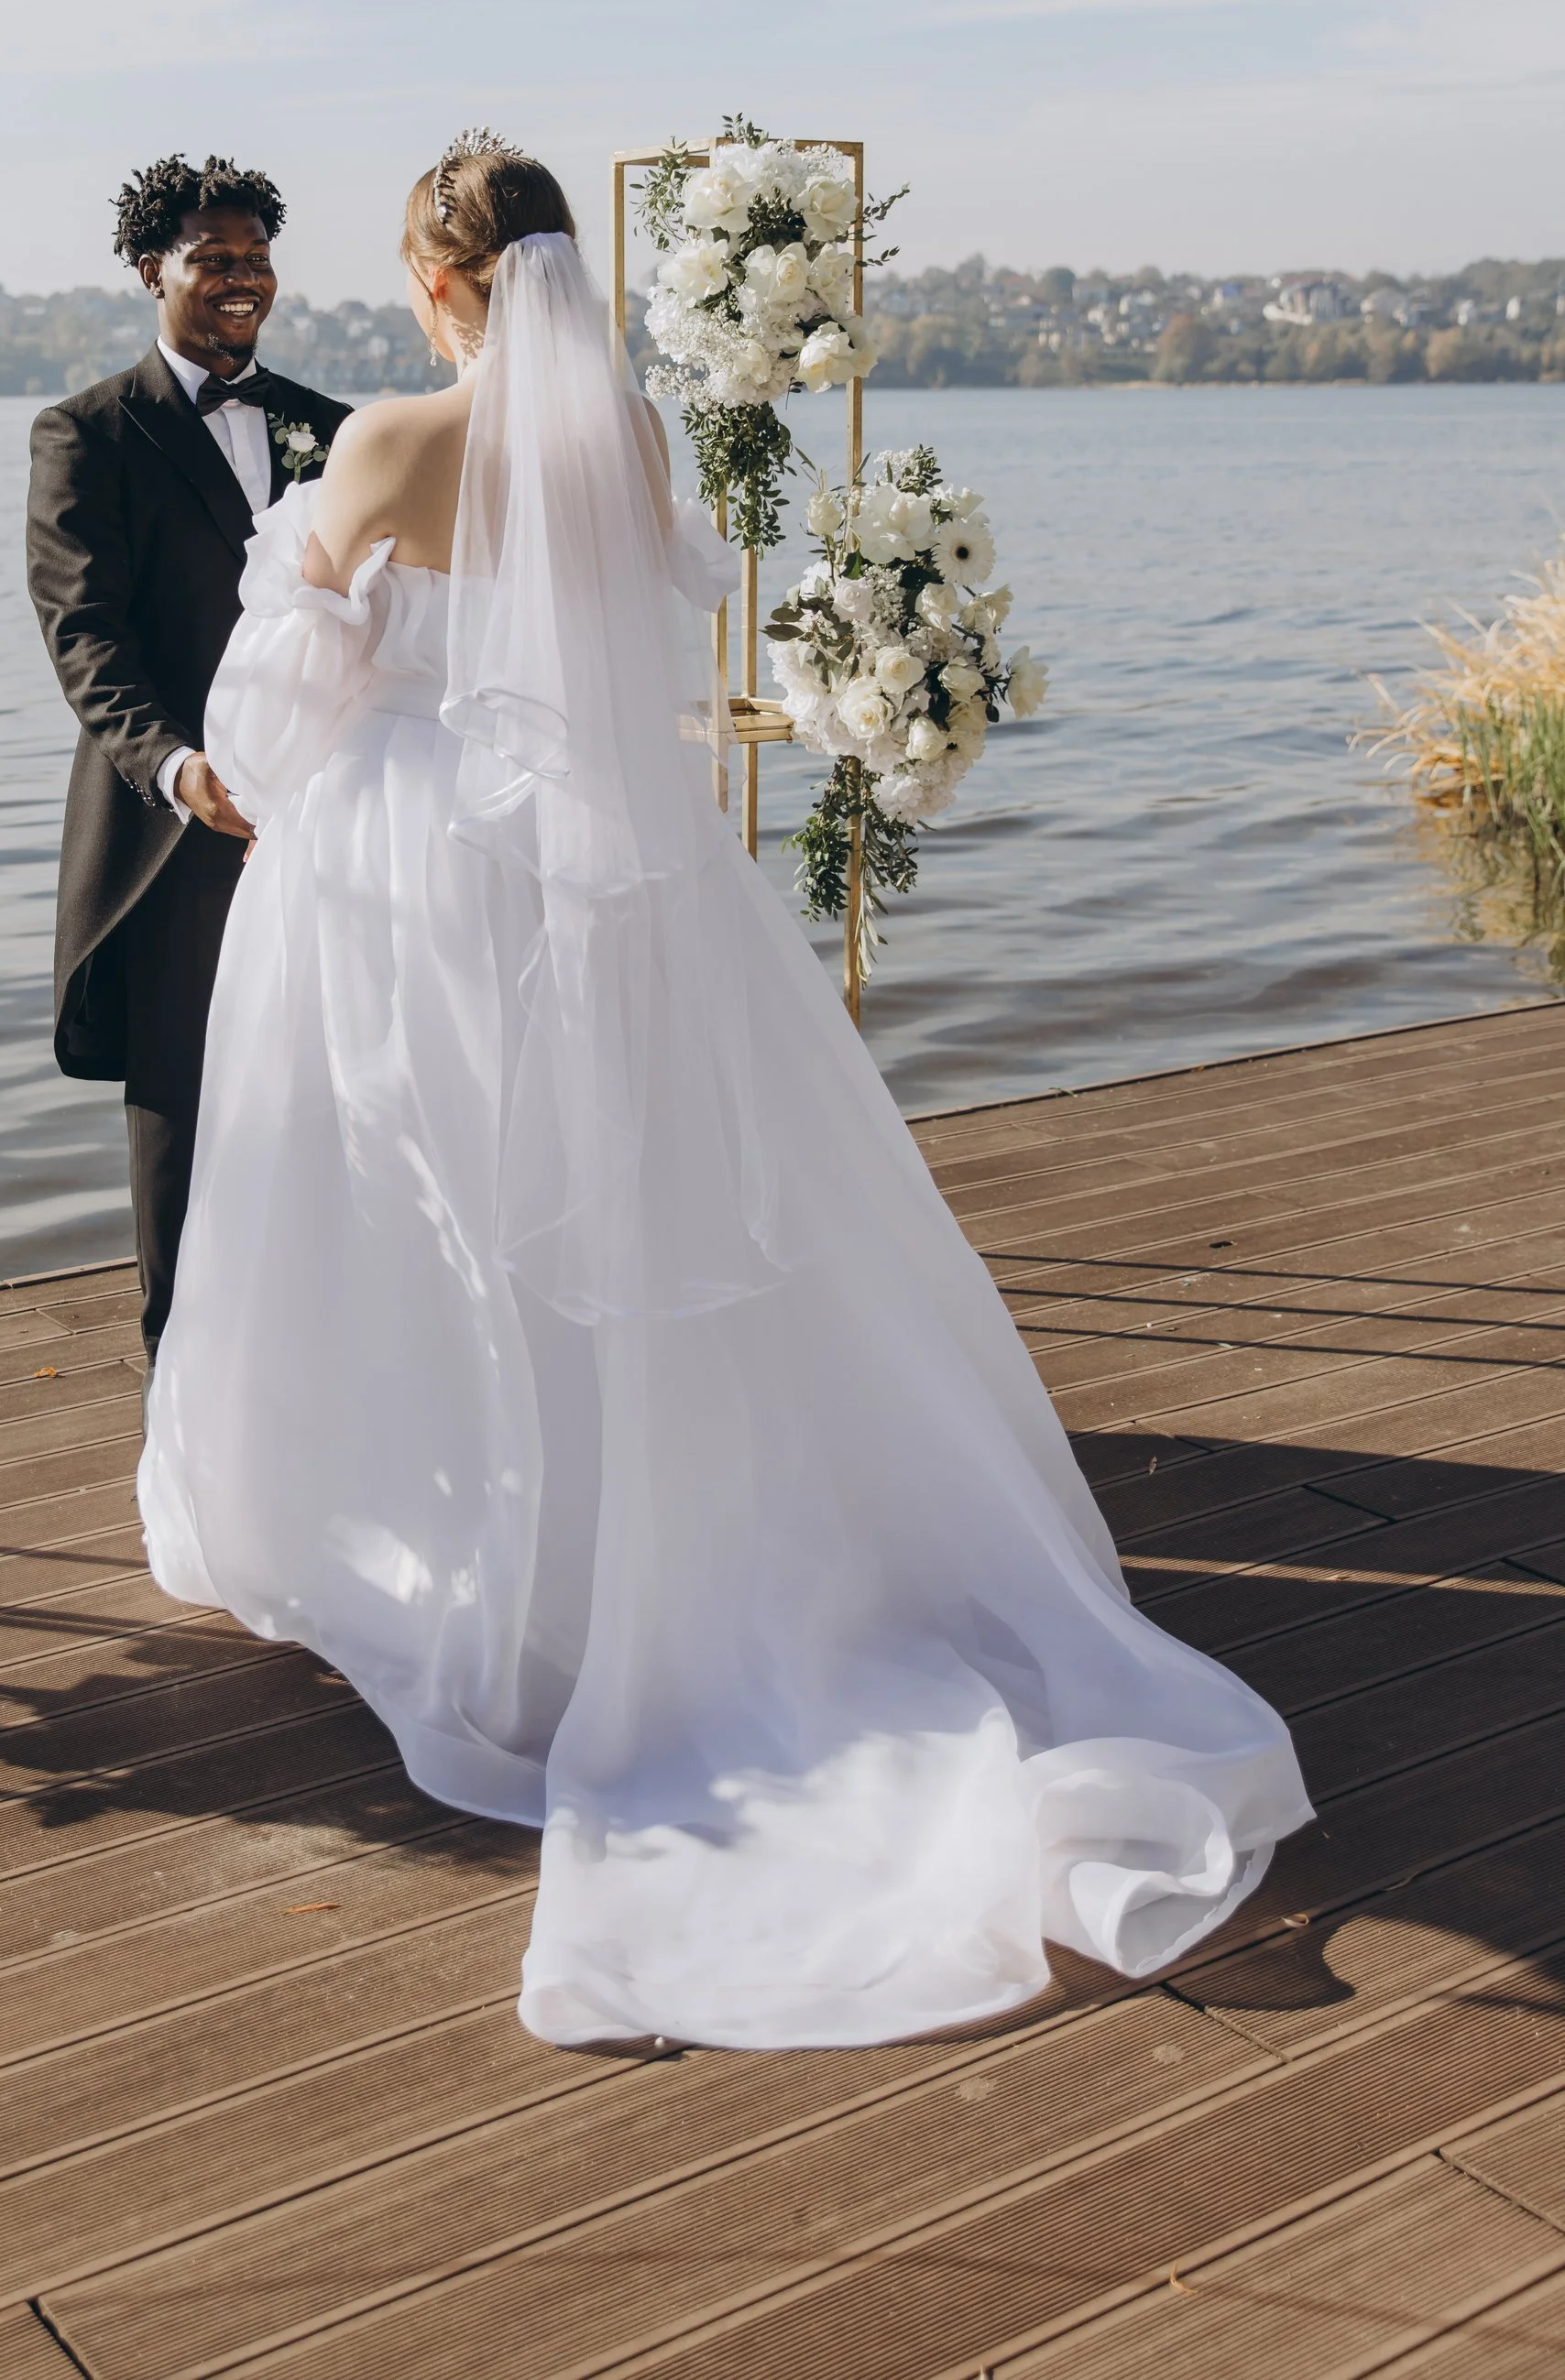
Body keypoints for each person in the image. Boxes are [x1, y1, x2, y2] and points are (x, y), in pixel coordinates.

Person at [140, 133, 1310, 2052]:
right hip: (623, 884)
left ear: (438, 288)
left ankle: (483, 1560)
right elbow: (626, 670)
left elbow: (277, 717)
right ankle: (643, 1544)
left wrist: (291, 708)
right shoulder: (643, 451)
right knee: (622, 1207)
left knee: (423, 1205)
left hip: (408, 879)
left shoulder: (379, 451)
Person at [26, 155, 349, 1363]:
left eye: (255, 258)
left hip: (323, 828)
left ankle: (322, 1379)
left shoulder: (338, 431)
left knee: (329, 1109)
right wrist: (174, 768)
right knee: (185, 1130)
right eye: (214, 258)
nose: (241, 280)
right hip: (174, 841)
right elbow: (85, 634)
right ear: (150, 269)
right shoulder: (85, 436)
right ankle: (183, 1412)